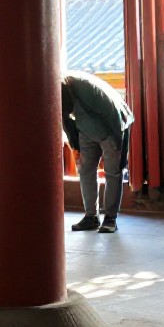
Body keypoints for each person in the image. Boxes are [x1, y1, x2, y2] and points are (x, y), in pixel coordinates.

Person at [60, 71, 134, 234]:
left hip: (112, 127)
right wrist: (76, 145)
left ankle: (110, 218)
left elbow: (113, 114)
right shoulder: (60, 90)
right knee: (85, 170)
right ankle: (91, 217)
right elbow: (66, 120)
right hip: (86, 129)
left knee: (113, 172)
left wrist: (118, 143)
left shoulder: (88, 89)